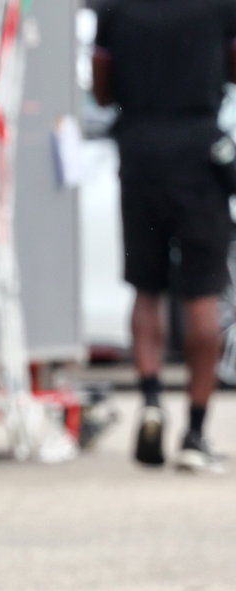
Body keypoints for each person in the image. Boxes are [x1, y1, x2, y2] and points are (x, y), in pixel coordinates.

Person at [93, 0, 234, 474]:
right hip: (199, 157)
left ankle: (151, 400)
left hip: (140, 158)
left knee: (145, 287)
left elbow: (101, 89)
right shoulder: (220, 7)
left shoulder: (115, 8)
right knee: (202, 295)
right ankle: (195, 432)